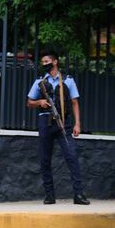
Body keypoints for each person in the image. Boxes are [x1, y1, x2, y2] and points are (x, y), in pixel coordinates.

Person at [27, 50, 90, 205]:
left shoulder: (68, 81)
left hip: (64, 123)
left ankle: (78, 195)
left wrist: (77, 124)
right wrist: (39, 102)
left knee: (72, 157)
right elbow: (29, 102)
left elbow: (75, 103)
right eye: (42, 62)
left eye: (46, 61)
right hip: (45, 123)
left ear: (55, 62)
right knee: (45, 160)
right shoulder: (39, 82)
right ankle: (50, 195)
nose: (44, 64)